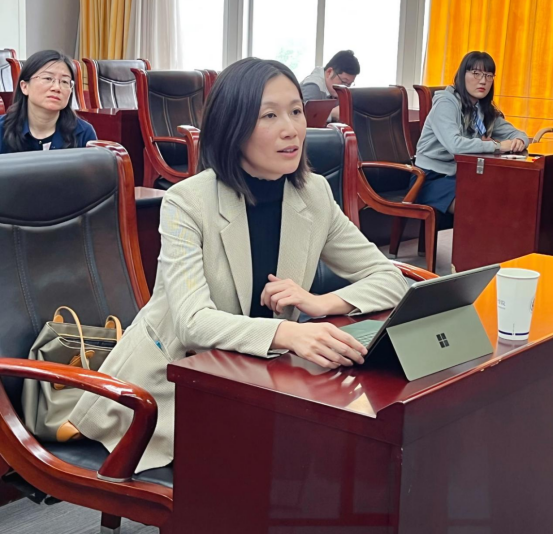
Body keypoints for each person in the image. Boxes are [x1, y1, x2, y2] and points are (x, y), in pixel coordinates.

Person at [68, 57, 408, 472]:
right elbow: (193, 322)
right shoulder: (187, 202)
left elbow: (389, 278)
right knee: (281, 464)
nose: (291, 129)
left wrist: (321, 303)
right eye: (270, 115)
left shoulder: (314, 193)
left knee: (345, 450)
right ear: (232, 127)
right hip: (174, 385)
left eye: (296, 111)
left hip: (262, 376)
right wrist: (288, 332)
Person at [414, 51, 529, 214]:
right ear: (463, 75)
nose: (483, 81)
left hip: (461, 175)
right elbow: (455, 145)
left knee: (507, 193)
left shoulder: (481, 108)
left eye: (489, 75)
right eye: (476, 73)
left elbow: (519, 134)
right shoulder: (445, 104)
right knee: (479, 206)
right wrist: (498, 146)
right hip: (429, 178)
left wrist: (520, 141)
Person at [0, 50, 96, 154]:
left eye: (64, 81)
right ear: (24, 87)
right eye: (48, 78)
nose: (57, 88)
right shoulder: (2, 129)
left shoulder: (83, 133)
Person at [301, 50, 361, 121]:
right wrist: (332, 114)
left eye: (349, 84)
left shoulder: (334, 90)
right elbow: (303, 117)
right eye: (344, 82)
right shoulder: (312, 86)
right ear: (329, 72)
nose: (345, 88)